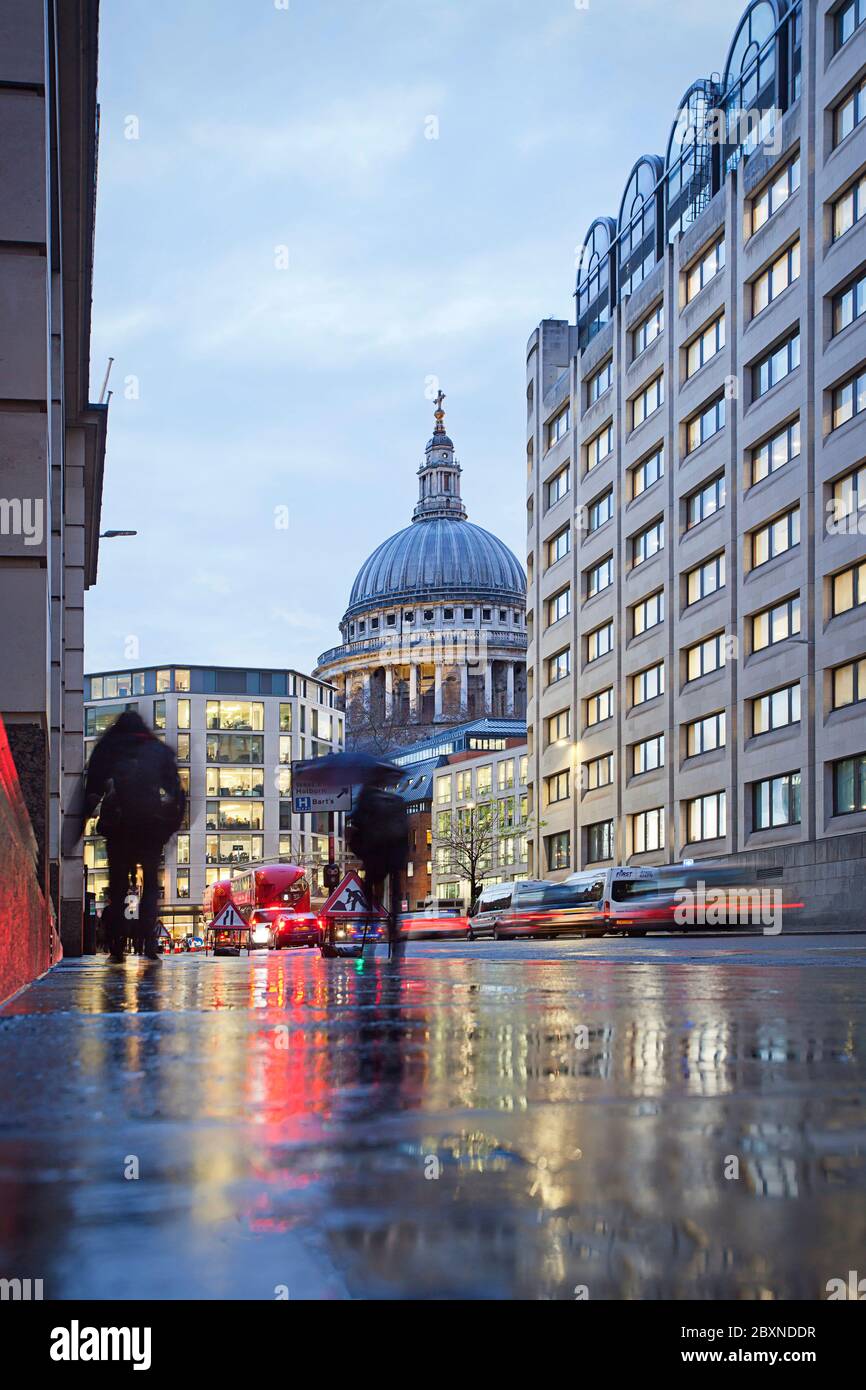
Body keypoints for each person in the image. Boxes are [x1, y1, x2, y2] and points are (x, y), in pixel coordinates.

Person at [84, 711, 185, 964]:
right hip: (151, 826)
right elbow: (176, 792)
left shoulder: (108, 747)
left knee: (118, 884)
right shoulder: (157, 750)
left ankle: (117, 945)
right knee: (150, 883)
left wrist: (80, 823)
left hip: (119, 826)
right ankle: (148, 942)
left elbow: (92, 788)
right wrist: (170, 825)